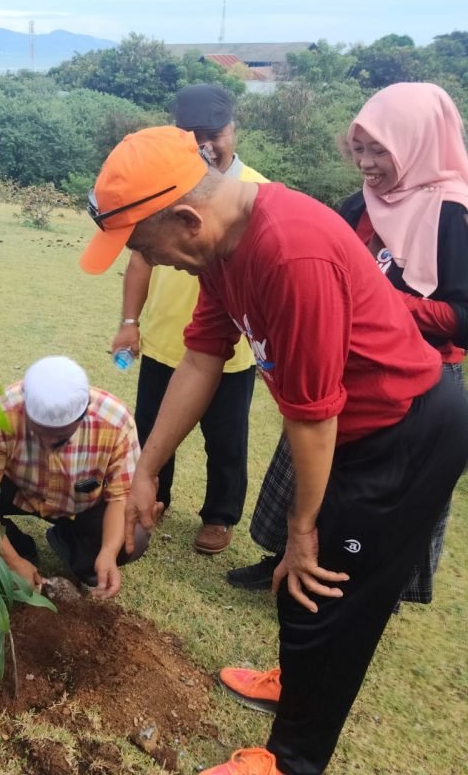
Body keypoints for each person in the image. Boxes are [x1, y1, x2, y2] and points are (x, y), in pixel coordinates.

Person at [79, 126, 468, 775]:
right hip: (355, 431)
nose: (156, 262)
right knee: (302, 593)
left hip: (404, 436)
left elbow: (314, 417)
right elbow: (204, 357)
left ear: (185, 217)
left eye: (148, 248)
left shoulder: (290, 253)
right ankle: (295, 683)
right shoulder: (223, 249)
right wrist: (145, 469)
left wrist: (302, 530)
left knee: (329, 593)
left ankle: (291, 762)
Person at [229, 83, 468, 602]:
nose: (366, 163)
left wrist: (381, 301)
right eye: (359, 149)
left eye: (380, 149)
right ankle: (283, 559)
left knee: (376, 494)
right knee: (308, 461)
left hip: (418, 380)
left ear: (418, 143)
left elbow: (462, 318)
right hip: (342, 361)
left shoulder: (453, 215)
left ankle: (352, 587)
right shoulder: (356, 206)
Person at [110, 84, 266, 555]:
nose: (206, 144)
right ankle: (155, 496)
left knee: (225, 441)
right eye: (193, 134)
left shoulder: (257, 191)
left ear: (233, 131)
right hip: (165, 341)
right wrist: (130, 322)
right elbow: (141, 258)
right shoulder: (164, 183)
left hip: (229, 352)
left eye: (214, 133)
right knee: (154, 429)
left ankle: (219, 516)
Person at [0, 356, 150, 599]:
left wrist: (109, 551)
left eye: (60, 439)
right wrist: (12, 561)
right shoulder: (1, 415)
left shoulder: (115, 422)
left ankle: (78, 553)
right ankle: (18, 549)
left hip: (82, 503)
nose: (46, 447)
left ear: (83, 414)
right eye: (37, 434)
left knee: (134, 537)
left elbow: (120, 497)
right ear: (25, 409)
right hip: (19, 491)